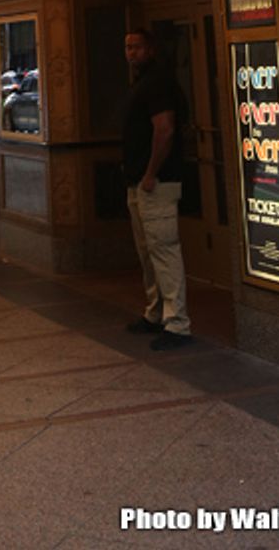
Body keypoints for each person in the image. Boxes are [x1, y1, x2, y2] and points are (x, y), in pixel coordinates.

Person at [122, 28, 191, 348]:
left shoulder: (159, 83)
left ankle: (177, 323)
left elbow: (165, 130)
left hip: (157, 183)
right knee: (147, 252)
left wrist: (151, 173)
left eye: (137, 47)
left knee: (164, 250)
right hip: (139, 182)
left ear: (151, 49)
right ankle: (156, 312)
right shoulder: (141, 83)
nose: (131, 53)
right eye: (127, 47)